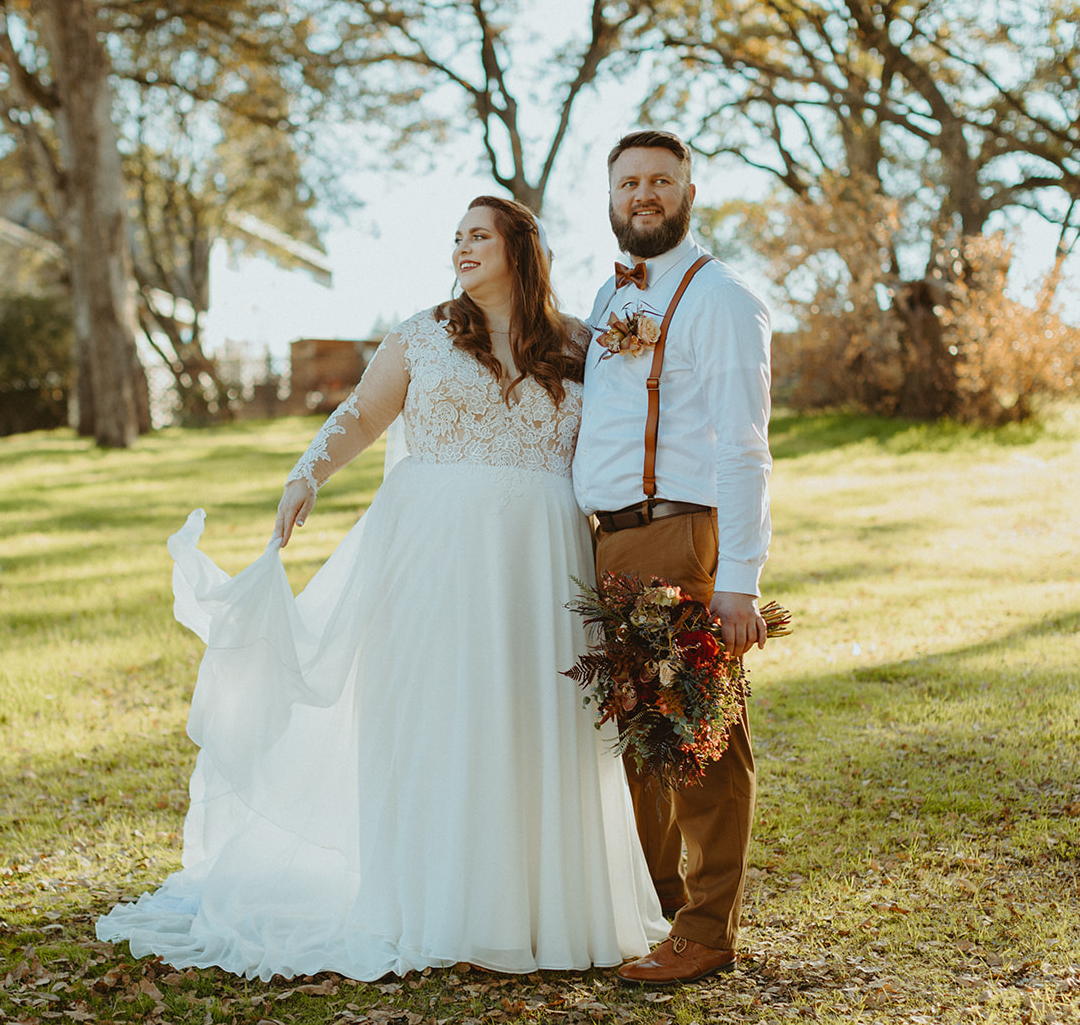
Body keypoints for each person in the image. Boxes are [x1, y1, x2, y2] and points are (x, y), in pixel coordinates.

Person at [96, 195, 666, 980]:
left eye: (478, 236)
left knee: (535, 714)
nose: (462, 248)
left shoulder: (576, 343)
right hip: (435, 551)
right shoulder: (423, 335)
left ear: (519, 248)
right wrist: (308, 475)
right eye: (455, 236)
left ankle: (539, 905)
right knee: (443, 714)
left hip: (541, 553)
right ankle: (437, 902)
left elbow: (624, 428)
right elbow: (364, 414)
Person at [572, 131, 774, 986]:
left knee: (698, 738)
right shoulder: (606, 294)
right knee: (637, 737)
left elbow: (746, 447)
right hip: (608, 538)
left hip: (680, 531)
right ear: (611, 196)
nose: (642, 194)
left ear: (690, 192)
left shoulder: (722, 299)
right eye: (628, 182)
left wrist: (739, 583)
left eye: (660, 180)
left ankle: (706, 927)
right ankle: (655, 906)